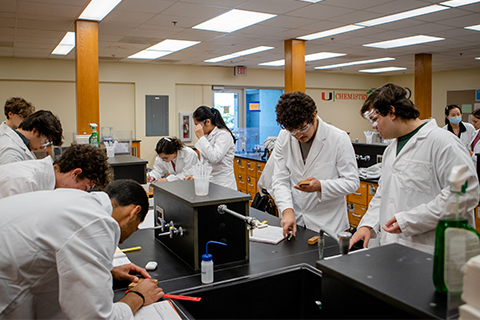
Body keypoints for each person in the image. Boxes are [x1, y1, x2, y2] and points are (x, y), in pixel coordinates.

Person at [0, 179, 164, 319]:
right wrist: (139, 296)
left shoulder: (78, 200)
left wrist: (106, 271)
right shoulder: (96, 223)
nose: (125, 238)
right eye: (135, 227)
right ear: (134, 212)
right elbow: (95, 317)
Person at [350, 83, 479, 254]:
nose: (373, 126)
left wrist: (409, 220)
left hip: (433, 250)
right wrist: (367, 225)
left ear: (392, 111)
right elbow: (384, 194)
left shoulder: (443, 142)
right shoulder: (391, 150)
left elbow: (465, 194)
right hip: (394, 248)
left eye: (375, 119)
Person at [271, 91, 359, 237]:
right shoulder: (284, 137)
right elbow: (280, 179)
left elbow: (352, 182)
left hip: (328, 223)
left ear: (314, 116)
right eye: (293, 131)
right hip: (296, 220)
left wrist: (321, 186)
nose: (299, 135)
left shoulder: (338, 138)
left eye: (303, 128)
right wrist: (287, 210)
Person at [0, 143, 112, 199]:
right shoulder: (24, 183)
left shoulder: (45, 179)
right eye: (85, 188)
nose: (82, 194)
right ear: (75, 173)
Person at [193, 106, 237, 190]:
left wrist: (201, 137)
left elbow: (214, 158)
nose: (196, 129)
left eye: (197, 125)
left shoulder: (224, 135)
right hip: (210, 182)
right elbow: (204, 162)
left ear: (208, 122)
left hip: (223, 184)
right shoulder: (207, 136)